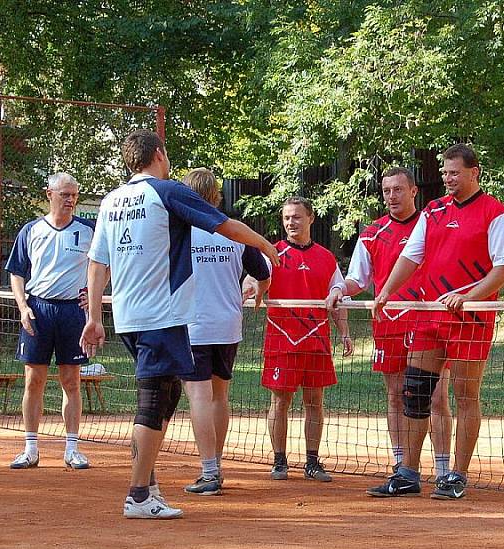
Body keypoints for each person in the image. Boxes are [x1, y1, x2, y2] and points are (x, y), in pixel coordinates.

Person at [80, 129, 279, 519]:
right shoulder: (167, 190)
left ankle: (148, 486)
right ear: (158, 154)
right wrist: (264, 245)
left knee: (168, 394)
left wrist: (93, 318)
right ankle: (138, 495)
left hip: (130, 315)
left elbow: (97, 262)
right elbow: (224, 225)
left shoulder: (112, 200)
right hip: (162, 315)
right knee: (154, 400)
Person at [370, 144, 504, 499]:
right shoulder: (433, 211)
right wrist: (387, 290)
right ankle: (407, 473)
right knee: (416, 390)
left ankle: (456, 476)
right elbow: (411, 256)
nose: (448, 180)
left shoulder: (495, 213)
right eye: (445, 174)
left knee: (465, 395)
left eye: (454, 173)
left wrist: (469, 298)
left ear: (473, 172)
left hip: (471, 320)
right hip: (431, 315)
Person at [325, 167, 453, 480]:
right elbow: (357, 278)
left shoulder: (433, 226)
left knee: (436, 397)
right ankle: (402, 464)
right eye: (386, 191)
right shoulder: (372, 233)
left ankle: (442, 468)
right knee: (397, 395)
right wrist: (340, 289)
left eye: (398, 189)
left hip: (429, 323)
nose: (392, 196)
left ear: (413, 192)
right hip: (389, 324)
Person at [179, 168, 271, 496]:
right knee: (220, 396)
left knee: (199, 397)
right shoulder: (233, 232)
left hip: (194, 325)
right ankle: (215, 464)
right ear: (216, 195)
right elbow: (263, 271)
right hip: (228, 325)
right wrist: (259, 292)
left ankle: (208, 472)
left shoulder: (182, 231)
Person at [5, 172, 94, 471]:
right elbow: (16, 273)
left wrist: (94, 297)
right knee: (34, 380)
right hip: (38, 310)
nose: (70, 200)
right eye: (65, 194)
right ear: (49, 195)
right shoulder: (30, 231)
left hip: (72, 313)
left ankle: (72, 449)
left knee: (71, 380)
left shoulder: (88, 230)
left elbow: (103, 266)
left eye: (74, 195)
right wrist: (22, 307)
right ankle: (30, 448)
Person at [261, 196, 353, 482]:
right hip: (282, 339)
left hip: (316, 340)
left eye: (297, 217)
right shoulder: (272, 253)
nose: (291, 222)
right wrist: (251, 286)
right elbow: (256, 278)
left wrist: (345, 333)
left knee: (314, 401)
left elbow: (338, 294)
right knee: (281, 401)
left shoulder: (326, 258)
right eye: (287, 217)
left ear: (311, 218)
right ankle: (279, 461)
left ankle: (312, 461)